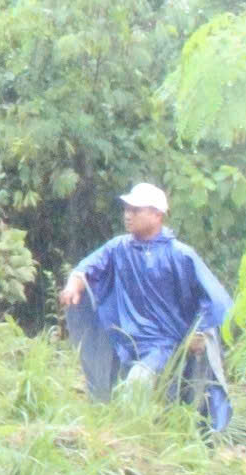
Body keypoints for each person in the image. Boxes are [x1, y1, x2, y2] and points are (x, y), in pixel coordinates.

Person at [60, 183, 234, 431]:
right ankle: (132, 438)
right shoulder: (118, 248)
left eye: (136, 209)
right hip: (126, 344)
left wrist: (199, 332)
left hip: (164, 345)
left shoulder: (180, 255)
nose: (128, 215)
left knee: (138, 385)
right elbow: (88, 268)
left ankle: (133, 440)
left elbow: (216, 299)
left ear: (157, 215)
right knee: (124, 394)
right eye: (127, 209)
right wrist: (73, 285)